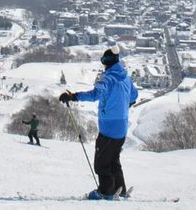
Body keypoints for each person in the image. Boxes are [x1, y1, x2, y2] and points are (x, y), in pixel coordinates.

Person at [59, 45, 139, 200]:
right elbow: (134, 95)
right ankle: (119, 189)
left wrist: (73, 97)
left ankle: (106, 192)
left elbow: (95, 94)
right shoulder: (125, 78)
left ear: (106, 62)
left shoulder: (108, 79)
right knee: (113, 160)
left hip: (109, 128)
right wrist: (123, 105)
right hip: (122, 128)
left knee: (102, 163)